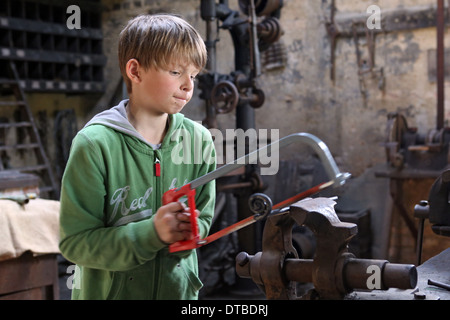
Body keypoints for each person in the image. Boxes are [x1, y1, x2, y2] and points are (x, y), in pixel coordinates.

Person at [59, 14, 216, 300]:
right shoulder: (95, 144)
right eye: (175, 72)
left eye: (192, 75)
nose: (188, 86)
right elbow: (76, 243)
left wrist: (189, 227)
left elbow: (204, 216)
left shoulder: (199, 140)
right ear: (135, 71)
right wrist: (152, 233)